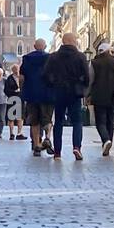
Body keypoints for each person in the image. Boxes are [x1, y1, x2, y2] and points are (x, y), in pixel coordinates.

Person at [44, 32, 89, 161]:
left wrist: (53, 84)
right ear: (73, 41)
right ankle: (76, 147)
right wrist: (83, 86)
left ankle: (57, 152)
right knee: (77, 121)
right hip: (75, 93)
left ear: (63, 42)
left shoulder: (53, 57)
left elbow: (46, 75)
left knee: (58, 122)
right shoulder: (80, 56)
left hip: (59, 92)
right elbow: (86, 75)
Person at [19, 39, 54, 157]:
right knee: (48, 119)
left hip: (32, 94)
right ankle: (48, 138)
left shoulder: (27, 58)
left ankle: (37, 145)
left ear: (34, 46)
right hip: (47, 94)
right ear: (45, 46)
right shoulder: (50, 58)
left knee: (34, 121)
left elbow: (22, 78)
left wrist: (23, 91)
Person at [88, 40, 114, 156]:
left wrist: (88, 94)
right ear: (108, 51)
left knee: (100, 121)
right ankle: (108, 142)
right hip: (113, 94)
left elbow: (90, 79)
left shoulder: (94, 62)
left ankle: (105, 140)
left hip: (98, 95)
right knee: (110, 121)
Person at [4, 67, 24, 138]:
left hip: (20, 98)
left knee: (20, 117)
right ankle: (11, 133)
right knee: (11, 117)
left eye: (17, 69)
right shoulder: (9, 79)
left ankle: (19, 133)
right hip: (12, 99)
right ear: (12, 70)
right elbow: (6, 90)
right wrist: (13, 92)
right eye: (15, 69)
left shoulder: (22, 77)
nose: (17, 70)